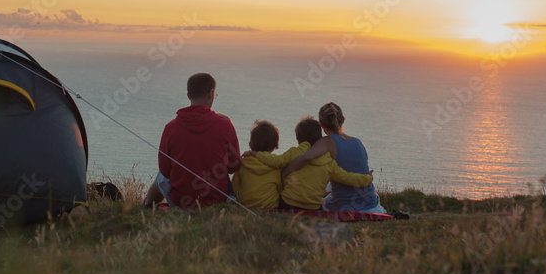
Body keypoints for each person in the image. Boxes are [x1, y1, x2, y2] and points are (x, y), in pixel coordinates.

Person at [143, 72, 240, 209]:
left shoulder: (170, 128)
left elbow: (165, 171)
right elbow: (234, 165)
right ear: (211, 93)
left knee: (161, 177)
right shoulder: (226, 126)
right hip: (216, 202)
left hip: (180, 203)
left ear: (188, 95)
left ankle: (147, 205)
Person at [280, 103, 385, 214]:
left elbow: (306, 157)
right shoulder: (358, 142)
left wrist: (285, 173)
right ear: (343, 119)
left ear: (321, 124)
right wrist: (367, 178)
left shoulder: (326, 141)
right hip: (370, 204)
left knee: (323, 176)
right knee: (332, 173)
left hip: (342, 207)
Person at [252, 116, 373, 210]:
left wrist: (255, 153)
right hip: (313, 207)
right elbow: (348, 178)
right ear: (319, 138)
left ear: (298, 139)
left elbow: (275, 162)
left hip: (288, 203)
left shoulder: (294, 152)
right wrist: (367, 178)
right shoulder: (329, 162)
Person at [232, 120, 283, 209]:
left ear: (251, 142)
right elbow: (280, 189)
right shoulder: (276, 165)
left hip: (245, 206)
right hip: (269, 207)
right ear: (274, 144)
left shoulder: (243, 163)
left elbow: (235, 187)